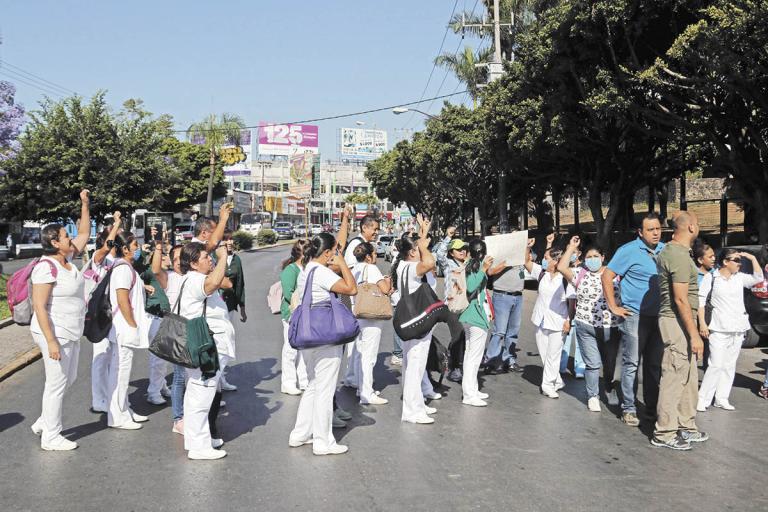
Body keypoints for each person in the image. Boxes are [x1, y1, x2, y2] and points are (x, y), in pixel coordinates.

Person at [29, 190, 91, 450]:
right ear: (54, 242)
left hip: (71, 329)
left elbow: (85, 233)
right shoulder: (46, 267)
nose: (70, 238)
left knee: (70, 378)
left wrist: (85, 205)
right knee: (56, 383)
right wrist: (52, 342)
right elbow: (40, 307)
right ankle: (51, 437)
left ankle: (44, 420)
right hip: (54, 331)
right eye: (66, 236)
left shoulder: (66, 260)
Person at [289, 232, 357, 456]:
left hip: (310, 335)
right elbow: (351, 289)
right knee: (325, 391)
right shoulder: (322, 272)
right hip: (326, 337)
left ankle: (300, 434)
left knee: (313, 386)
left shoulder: (306, 270)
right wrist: (343, 263)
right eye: (335, 251)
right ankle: (323, 440)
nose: (336, 254)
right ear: (327, 253)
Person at [602, 213, 665, 426]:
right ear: (640, 232)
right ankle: (628, 407)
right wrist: (613, 306)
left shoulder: (665, 250)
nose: (655, 233)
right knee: (631, 363)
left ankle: (650, 407)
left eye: (658, 228)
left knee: (654, 365)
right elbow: (607, 275)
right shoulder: (628, 251)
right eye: (650, 229)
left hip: (659, 317)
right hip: (634, 316)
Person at [651, 211, 708, 450]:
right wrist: (694, 334)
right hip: (676, 321)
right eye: (698, 222)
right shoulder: (677, 255)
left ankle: (686, 425)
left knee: (688, 376)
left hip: (682, 320)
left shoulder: (679, 253)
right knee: (674, 375)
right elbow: (681, 299)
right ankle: (664, 433)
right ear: (692, 227)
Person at [178, 242, 233, 460]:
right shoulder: (195, 280)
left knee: (198, 393)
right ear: (192, 263)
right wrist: (222, 258)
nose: (209, 260)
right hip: (205, 344)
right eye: (204, 258)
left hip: (204, 343)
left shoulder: (193, 279)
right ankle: (199, 446)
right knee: (201, 394)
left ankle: (200, 440)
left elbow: (221, 282)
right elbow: (212, 284)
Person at [558, 236, 621, 412]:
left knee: (610, 363)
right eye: (589, 257)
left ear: (603, 257)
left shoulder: (614, 274)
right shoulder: (580, 273)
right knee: (592, 363)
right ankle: (593, 395)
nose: (592, 260)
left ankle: (609, 388)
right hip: (586, 325)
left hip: (611, 327)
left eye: (595, 256)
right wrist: (571, 247)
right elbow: (562, 267)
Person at [696, 249, 763, 411]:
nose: (739, 263)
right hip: (718, 328)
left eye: (740, 260)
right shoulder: (711, 277)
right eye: (736, 260)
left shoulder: (739, 278)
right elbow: (701, 302)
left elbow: (758, 278)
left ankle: (721, 398)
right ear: (725, 262)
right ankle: (703, 399)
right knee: (715, 364)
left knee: (729, 365)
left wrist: (753, 258)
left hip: (738, 328)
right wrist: (702, 324)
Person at [392, 215, 441, 424]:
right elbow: (429, 261)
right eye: (419, 248)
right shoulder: (411, 268)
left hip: (410, 319)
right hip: (418, 320)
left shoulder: (403, 265)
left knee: (413, 365)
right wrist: (423, 244)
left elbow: (422, 258)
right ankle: (411, 411)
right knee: (415, 366)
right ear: (413, 252)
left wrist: (423, 233)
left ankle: (417, 405)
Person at [106, 231, 152, 430]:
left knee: (123, 372)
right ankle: (117, 417)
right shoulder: (122, 269)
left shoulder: (127, 268)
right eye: (135, 245)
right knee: (120, 374)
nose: (138, 249)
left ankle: (124, 409)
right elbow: (122, 299)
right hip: (124, 328)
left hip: (126, 327)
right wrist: (133, 325)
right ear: (124, 249)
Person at [525, 239, 575, 398]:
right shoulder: (542, 273)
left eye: (546, 259)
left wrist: (569, 321)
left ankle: (547, 385)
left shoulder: (567, 279)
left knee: (554, 355)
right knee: (545, 354)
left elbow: (572, 302)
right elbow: (526, 261)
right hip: (540, 320)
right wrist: (527, 246)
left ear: (556, 261)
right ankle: (557, 380)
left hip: (559, 322)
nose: (544, 261)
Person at [86, 212, 122, 414]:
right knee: (100, 357)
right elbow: (107, 245)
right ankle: (98, 399)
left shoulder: (115, 262)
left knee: (110, 357)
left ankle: (109, 396)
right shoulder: (98, 259)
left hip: (111, 314)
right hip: (98, 315)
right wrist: (116, 225)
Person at [152, 243, 187, 434]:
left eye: (182, 257)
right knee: (180, 376)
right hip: (176, 329)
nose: (178, 262)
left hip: (195, 329)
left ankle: (195, 413)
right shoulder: (169, 278)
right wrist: (158, 248)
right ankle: (178, 418)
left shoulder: (195, 277)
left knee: (194, 377)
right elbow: (156, 270)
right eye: (174, 259)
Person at [351, 241, 391, 405]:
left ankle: (362, 388)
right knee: (369, 356)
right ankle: (367, 394)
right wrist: (388, 281)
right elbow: (385, 289)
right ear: (368, 256)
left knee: (361, 352)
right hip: (372, 316)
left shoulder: (355, 269)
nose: (376, 256)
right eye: (374, 254)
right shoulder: (372, 269)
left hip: (358, 312)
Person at [458, 239, 493, 407]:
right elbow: (472, 287)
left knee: (469, 355)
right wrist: (484, 269)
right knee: (474, 357)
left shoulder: (469, 264)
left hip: (468, 315)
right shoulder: (476, 266)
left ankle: (472, 388)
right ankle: (469, 394)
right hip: (476, 316)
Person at [485, 239, 527, 375]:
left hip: (518, 295)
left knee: (513, 331)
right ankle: (490, 361)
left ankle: (509, 360)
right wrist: (507, 262)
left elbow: (527, 263)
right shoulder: (498, 254)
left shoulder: (521, 254)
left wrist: (526, 247)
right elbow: (490, 272)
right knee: (500, 331)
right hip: (502, 295)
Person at [279, 239, 310, 395]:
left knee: (304, 349)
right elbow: (288, 293)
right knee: (291, 349)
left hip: (305, 314)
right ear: (303, 253)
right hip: (292, 314)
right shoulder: (291, 270)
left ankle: (304, 381)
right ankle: (288, 382)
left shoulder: (307, 268)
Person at [220, 229, 247, 392]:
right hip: (214, 306)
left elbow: (240, 285)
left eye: (231, 239)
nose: (229, 242)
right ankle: (216, 379)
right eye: (226, 239)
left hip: (229, 306)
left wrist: (242, 308)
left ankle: (221, 378)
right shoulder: (215, 259)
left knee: (226, 341)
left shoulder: (236, 260)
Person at [443, 238, 470, 382]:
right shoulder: (448, 264)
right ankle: (454, 369)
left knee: (463, 337)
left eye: (463, 248)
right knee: (457, 335)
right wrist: (447, 236)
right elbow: (440, 254)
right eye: (458, 249)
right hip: (451, 307)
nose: (462, 251)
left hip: (465, 305)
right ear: (451, 252)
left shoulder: (468, 264)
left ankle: (454, 360)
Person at [692, 238, 716, 371]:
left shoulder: (716, 275)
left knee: (710, 354)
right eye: (710, 256)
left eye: (714, 256)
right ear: (700, 260)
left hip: (711, 319)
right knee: (693, 353)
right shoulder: (693, 275)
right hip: (695, 318)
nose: (713, 259)